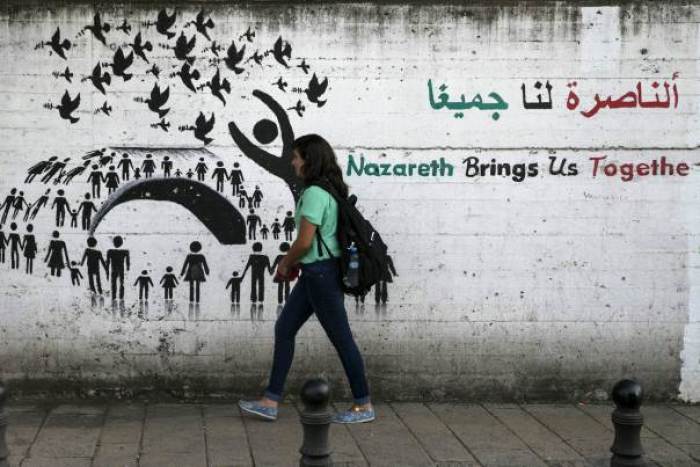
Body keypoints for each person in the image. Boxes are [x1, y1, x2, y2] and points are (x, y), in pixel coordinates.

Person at [239, 134, 374, 424]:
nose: (292, 161)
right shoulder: (328, 190)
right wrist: (299, 264)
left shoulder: (314, 193)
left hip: (321, 275)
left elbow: (304, 241)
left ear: (308, 160)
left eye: (296, 156)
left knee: (342, 339)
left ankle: (363, 405)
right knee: (285, 328)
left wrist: (286, 264)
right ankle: (270, 400)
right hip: (317, 272)